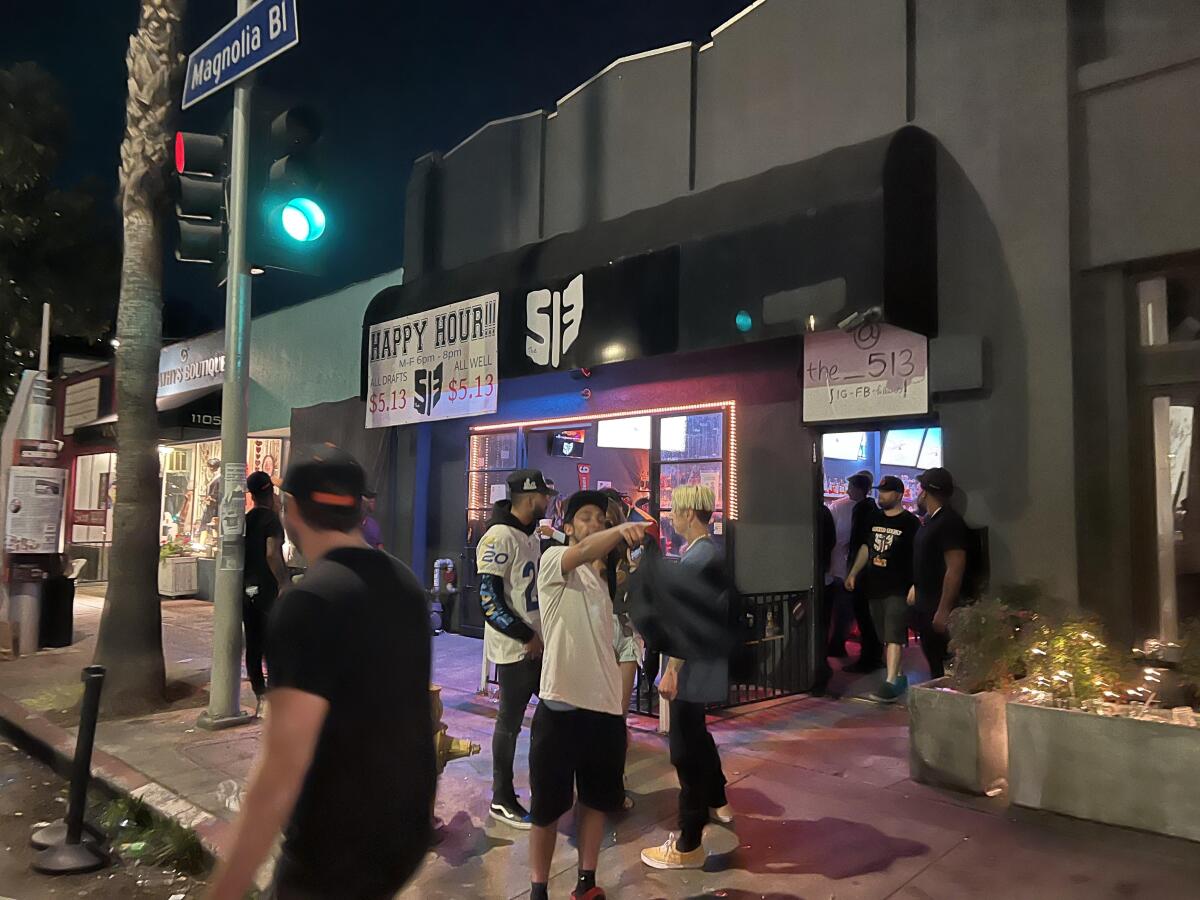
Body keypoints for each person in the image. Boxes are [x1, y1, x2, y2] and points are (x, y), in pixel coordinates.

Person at [208, 447, 435, 900]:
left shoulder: (307, 603)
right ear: (359, 507)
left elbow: (282, 765)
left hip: (337, 848)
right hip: (405, 832)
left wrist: (226, 888)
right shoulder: (407, 582)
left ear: (289, 510)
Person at [529, 492, 649, 900]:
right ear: (567, 527)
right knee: (546, 808)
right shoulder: (554, 564)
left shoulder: (605, 583)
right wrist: (617, 529)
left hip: (603, 712)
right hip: (560, 707)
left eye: (601, 518)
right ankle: (538, 889)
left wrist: (619, 713)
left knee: (597, 801)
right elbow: (580, 551)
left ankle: (586, 881)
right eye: (585, 517)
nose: (594, 523)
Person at [641, 485, 734, 870]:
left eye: (676, 512)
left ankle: (688, 842)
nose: (672, 519)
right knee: (696, 736)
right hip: (704, 664)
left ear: (690, 515)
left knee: (684, 751)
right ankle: (718, 801)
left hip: (692, 669)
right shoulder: (708, 552)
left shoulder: (699, 558)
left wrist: (672, 670)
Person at [477, 469, 556, 828]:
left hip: (534, 644)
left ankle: (544, 786)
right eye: (544, 495)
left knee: (552, 714)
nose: (548, 501)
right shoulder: (498, 536)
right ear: (529, 497)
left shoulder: (529, 536)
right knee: (509, 722)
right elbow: (489, 600)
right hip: (517, 649)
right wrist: (526, 635)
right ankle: (502, 797)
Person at [846, 475, 919, 704]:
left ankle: (889, 682)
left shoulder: (910, 523)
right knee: (883, 635)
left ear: (898, 494)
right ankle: (898, 677)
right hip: (874, 586)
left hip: (898, 587)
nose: (881, 495)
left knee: (894, 634)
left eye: (886, 492)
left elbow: (918, 556)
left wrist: (916, 584)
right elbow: (867, 547)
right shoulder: (874, 517)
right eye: (880, 491)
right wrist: (853, 572)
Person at [910, 467, 968, 678]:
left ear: (925, 492)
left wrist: (943, 610)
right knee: (935, 664)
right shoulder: (933, 521)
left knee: (943, 668)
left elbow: (955, 567)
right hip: (927, 605)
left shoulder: (949, 522)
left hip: (937, 608)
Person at [243, 471, 289, 716]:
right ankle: (273, 697)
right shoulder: (271, 520)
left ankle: (260, 695)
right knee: (273, 641)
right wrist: (283, 582)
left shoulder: (247, 519)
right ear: (270, 493)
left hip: (248, 588)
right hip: (266, 588)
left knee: (253, 642)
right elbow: (272, 553)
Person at [843, 471, 885, 673]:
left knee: (864, 616)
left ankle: (868, 659)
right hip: (872, 573)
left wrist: (852, 570)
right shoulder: (873, 510)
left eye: (850, 487)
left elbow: (860, 543)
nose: (847, 491)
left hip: (861, 572)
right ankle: (874, 656)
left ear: (859, 490)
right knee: (870, 617)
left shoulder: (861, 510)